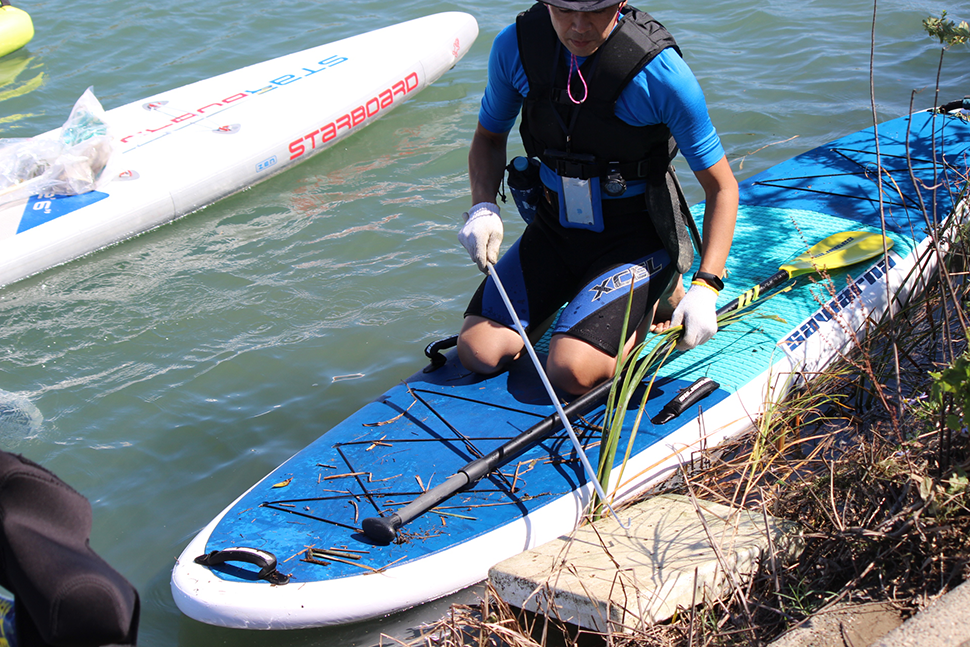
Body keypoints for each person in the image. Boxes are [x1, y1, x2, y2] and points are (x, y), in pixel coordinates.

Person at [456, 0, 738, 395]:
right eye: (564, 10)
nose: (579, 26)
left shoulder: (661, 74)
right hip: (555, 228)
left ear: (620, 2)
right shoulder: (516, 47)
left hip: (635, 238)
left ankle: (661, 288)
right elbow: (488, 138)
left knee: (569, 371)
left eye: (596, 10)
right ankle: (585, 300)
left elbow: (721, 187)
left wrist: (707, 285)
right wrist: (482, 207)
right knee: (477, 352)